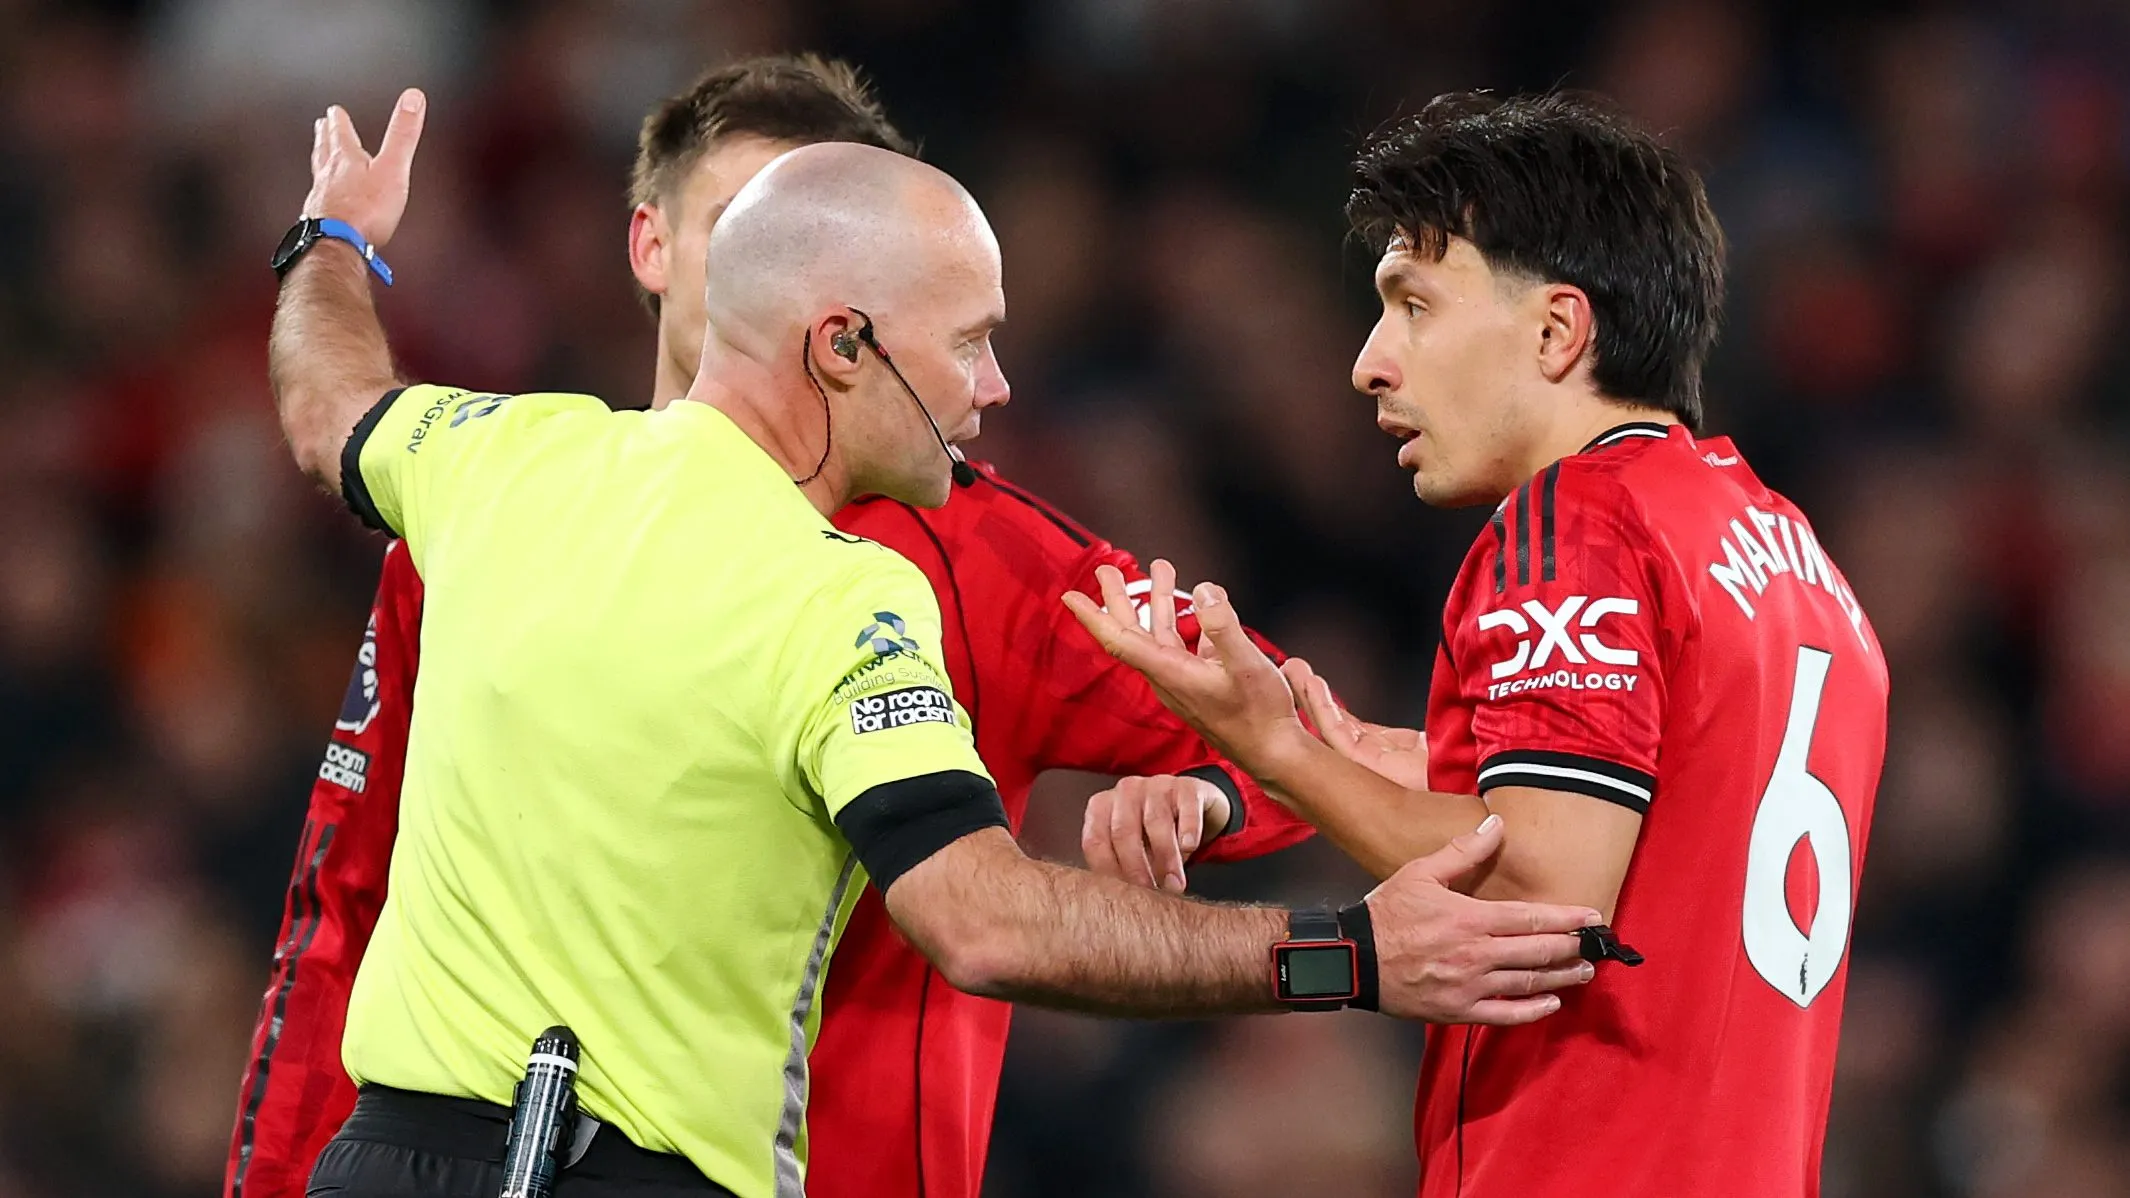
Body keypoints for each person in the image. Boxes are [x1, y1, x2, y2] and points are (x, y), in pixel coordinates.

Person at [265, 87, 1604, 1198]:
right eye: (968, 343)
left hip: (385, 1157)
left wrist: (332, 240)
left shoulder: (502, 455)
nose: (996, 387)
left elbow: (330, 404)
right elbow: (981, 916)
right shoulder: (836, 595)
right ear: (841, 345)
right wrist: (1350, 954)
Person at [1072, 91, 1890, 1197]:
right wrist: (1282, 764)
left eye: (1414, 305)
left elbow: (1539, 893)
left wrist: (1283, 752)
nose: (1370, 361)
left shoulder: (1574, 525)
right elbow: (1583, 795)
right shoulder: (1789, 555)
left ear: (1557, 331)